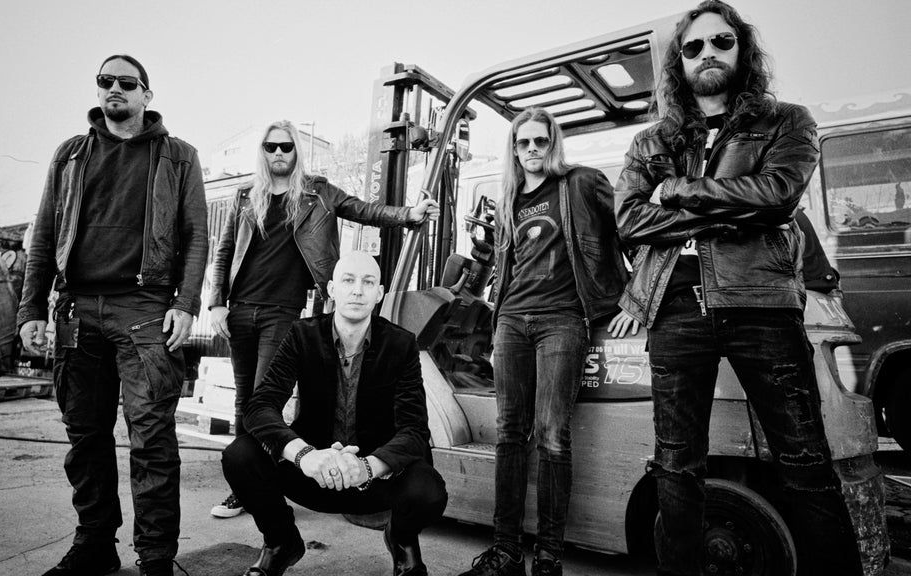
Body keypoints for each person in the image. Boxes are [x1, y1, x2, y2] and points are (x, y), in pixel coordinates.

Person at [614, 3, 863, 575]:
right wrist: (729, 209)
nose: (707, 53)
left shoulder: (787, 121)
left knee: (805, 463)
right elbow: (628, 220)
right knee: (676, 467)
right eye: (693, 47)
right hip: (675, 309)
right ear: (679, 63)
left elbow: (776, 196)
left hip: (762, 305)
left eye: (720, 41)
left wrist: (678, 191)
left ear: (742, 48)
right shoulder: (652, 141)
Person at [17, 54, 207, 576]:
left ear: (147, 94)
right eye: (105, 81)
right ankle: (95, 544)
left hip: (144, 311)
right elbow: (44, 235)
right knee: (85, 436)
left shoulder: (178, 156)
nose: (114, 88)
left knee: (152, 439)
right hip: (77, 310)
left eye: (127, 81)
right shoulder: (71, 154)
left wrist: (186, 303)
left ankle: (156, 557)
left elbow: (196, 237)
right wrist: (31, 309)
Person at [207, 120, 438, 519]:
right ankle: (246, 486)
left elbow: (364, 210)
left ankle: (266, 481)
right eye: (270, 146)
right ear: (262, 151)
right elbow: (225, 251)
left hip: (282, 310)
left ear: (296, 151)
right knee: (247, 401)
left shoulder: (317, 192)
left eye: (286, 146)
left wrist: (408, 214)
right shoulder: (245, 196)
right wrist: (216, 302)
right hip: (241, 308)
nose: (278, 153)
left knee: (264, 393)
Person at [458, 107, 637, 576]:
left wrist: (637, 299)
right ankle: (506, 551)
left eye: (540, 140)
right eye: (524, 143)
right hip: (512, 322)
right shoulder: (509, 199)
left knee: (553, 433)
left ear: (552, 142)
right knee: (509, 434)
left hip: (563, 320)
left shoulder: (582, 183)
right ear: (514, 150)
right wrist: (497, 325)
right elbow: (508, 268)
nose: (532, 149)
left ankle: (549, 557)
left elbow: (632, 231)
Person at [221, 251, 447, 576]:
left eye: (367, 282)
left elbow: (414, 430)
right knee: (239, 455)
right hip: (313, 471)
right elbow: (259, 406)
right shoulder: (302, 335)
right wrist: (305, 455)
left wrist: (367, 467)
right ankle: (280, 542)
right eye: (348, 280)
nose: (357, 290)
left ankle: (402, 541)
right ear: (331, 289)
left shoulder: (401, 344)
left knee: (428, 490)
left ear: (379, 293)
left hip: (373, 479)